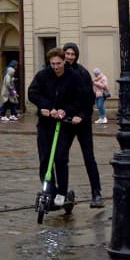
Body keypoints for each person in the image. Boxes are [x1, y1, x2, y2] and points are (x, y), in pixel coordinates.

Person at [28, 47, 92, 208]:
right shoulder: (43, 75)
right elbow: (33, 93)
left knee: (60, 158)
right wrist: (46, 107)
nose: (55, 67)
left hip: (64, 125)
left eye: (58, 63)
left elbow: (81, 99)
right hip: (46, 122)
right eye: (52, 64)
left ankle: (62, 192)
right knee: (45, 158)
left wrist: (67, 111)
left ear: (64, 61)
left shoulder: (74, 77)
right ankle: (49, 190)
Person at [62, 43, 104, 208]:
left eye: (72, 54)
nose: (69, 56)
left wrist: (81, 116)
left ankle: (97, 193)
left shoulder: (82, 73)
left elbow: (89, 99)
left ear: (76, 56)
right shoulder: (59, 72)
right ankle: (61, 192)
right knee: (61, 157)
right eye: (67, 53)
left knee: (89, 158)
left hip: (82, 122)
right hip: (66, 122)